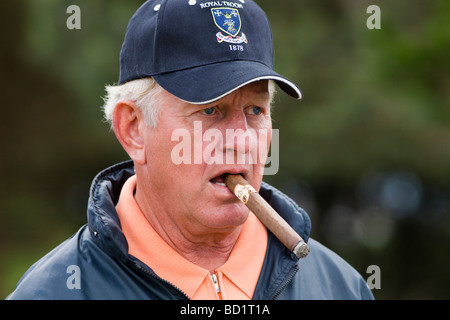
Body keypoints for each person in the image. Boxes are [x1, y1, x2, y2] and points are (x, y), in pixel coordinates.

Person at [7, 0, 374, 300]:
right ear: (133, 128)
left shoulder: (339, 288)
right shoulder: (54, 292)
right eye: (210, 109)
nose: (241, 139)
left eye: (256, 110)